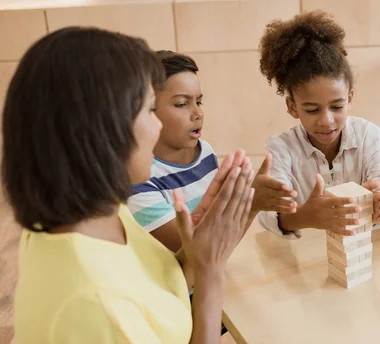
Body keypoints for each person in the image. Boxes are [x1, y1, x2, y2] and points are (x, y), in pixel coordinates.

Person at [4, 26, 255, 343]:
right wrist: (212, 275)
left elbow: (158, 284)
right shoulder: (94, 304)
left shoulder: (100, 213)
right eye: (151, 109)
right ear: (101, 129)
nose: (157, 126)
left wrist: (198, 252)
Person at [127, 50, 297, 252]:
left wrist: (244, 197)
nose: (198, 113)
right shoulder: (140, 180)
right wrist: (250, 205)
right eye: (182, 104)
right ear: (145, 110)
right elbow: (196, 252)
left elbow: (218, 231)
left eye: (198, 101)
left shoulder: (204, 151)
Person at [256, 10, 380, 239]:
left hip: (360, 250)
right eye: (312, 109)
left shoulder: (368, 136)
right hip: (305, 257)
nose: (326, 120)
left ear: (350, 99)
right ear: (293, 107)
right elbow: (267, 213)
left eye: (337, 106)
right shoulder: (281, 149)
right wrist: (306, 216)